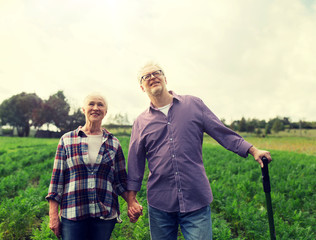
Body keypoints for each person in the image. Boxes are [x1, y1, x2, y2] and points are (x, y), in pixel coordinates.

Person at [127, 62, 272, 240]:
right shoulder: (141, 122)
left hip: (195, 198)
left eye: (156, 73)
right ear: (142, 87)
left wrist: (253, 150)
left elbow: (222, 132)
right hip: (160, 203)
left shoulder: (193, 104)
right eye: (146, 76)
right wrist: (131, 199)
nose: (152, 78)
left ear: (165, 78)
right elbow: (135, 162)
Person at [46, 93, 142, 240]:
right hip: (73, 213)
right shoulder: (67, 140)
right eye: (91, 104)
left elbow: (120, 182)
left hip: (104, 215)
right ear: (83, 109)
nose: (95, 108)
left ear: (105, 112)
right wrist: (53, 215)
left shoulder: (113, 143)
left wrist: (132, 203)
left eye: (100, 105)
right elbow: (56, 181)